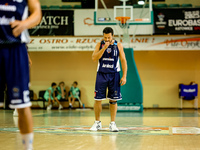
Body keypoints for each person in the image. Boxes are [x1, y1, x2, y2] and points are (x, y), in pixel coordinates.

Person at [0, 0, 41, 149]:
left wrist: (25, 24)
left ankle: (27, 147)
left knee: (22, 105)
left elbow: (37, 13)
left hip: (15, 48)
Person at [90, 27, 127, 132]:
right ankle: (97, 123)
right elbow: (94, 58)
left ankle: (112, 123)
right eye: (105, 37)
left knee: (113, 100)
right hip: (101, 74)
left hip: (114, 75)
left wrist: (124, 76)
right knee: (98, 99)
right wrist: (104, 48)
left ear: (112, 36)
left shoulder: (118, 45)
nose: (107, 39)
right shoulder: (99, 44)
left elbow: (123, 61)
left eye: (109, 37)